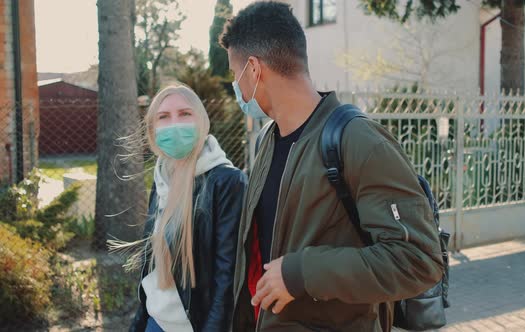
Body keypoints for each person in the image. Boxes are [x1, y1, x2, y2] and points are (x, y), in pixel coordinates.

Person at [220, 2, 444, 331]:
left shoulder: (358, 140)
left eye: (234, 76)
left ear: (253, 70)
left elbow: (419, 261)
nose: (237, 90)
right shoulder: (267, 142)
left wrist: (302, 273)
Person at [122, 84, 247, 332]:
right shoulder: (162, 179)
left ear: (201, 122)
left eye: (185, 114)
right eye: (163, 117)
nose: (174, 124)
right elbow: (153, 269)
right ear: (152, 130)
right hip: (155, 323)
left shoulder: (225, 181)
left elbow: (227, 280)